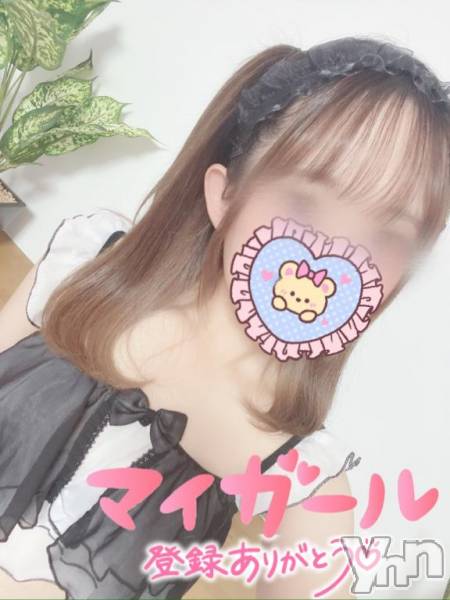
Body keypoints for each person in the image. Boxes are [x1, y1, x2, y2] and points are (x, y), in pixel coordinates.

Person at [0, 35, 448, 600]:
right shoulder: (85, 260)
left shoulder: (304, 480)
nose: (332, 257)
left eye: (385, 236)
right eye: (305, 203)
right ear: (225, 194)